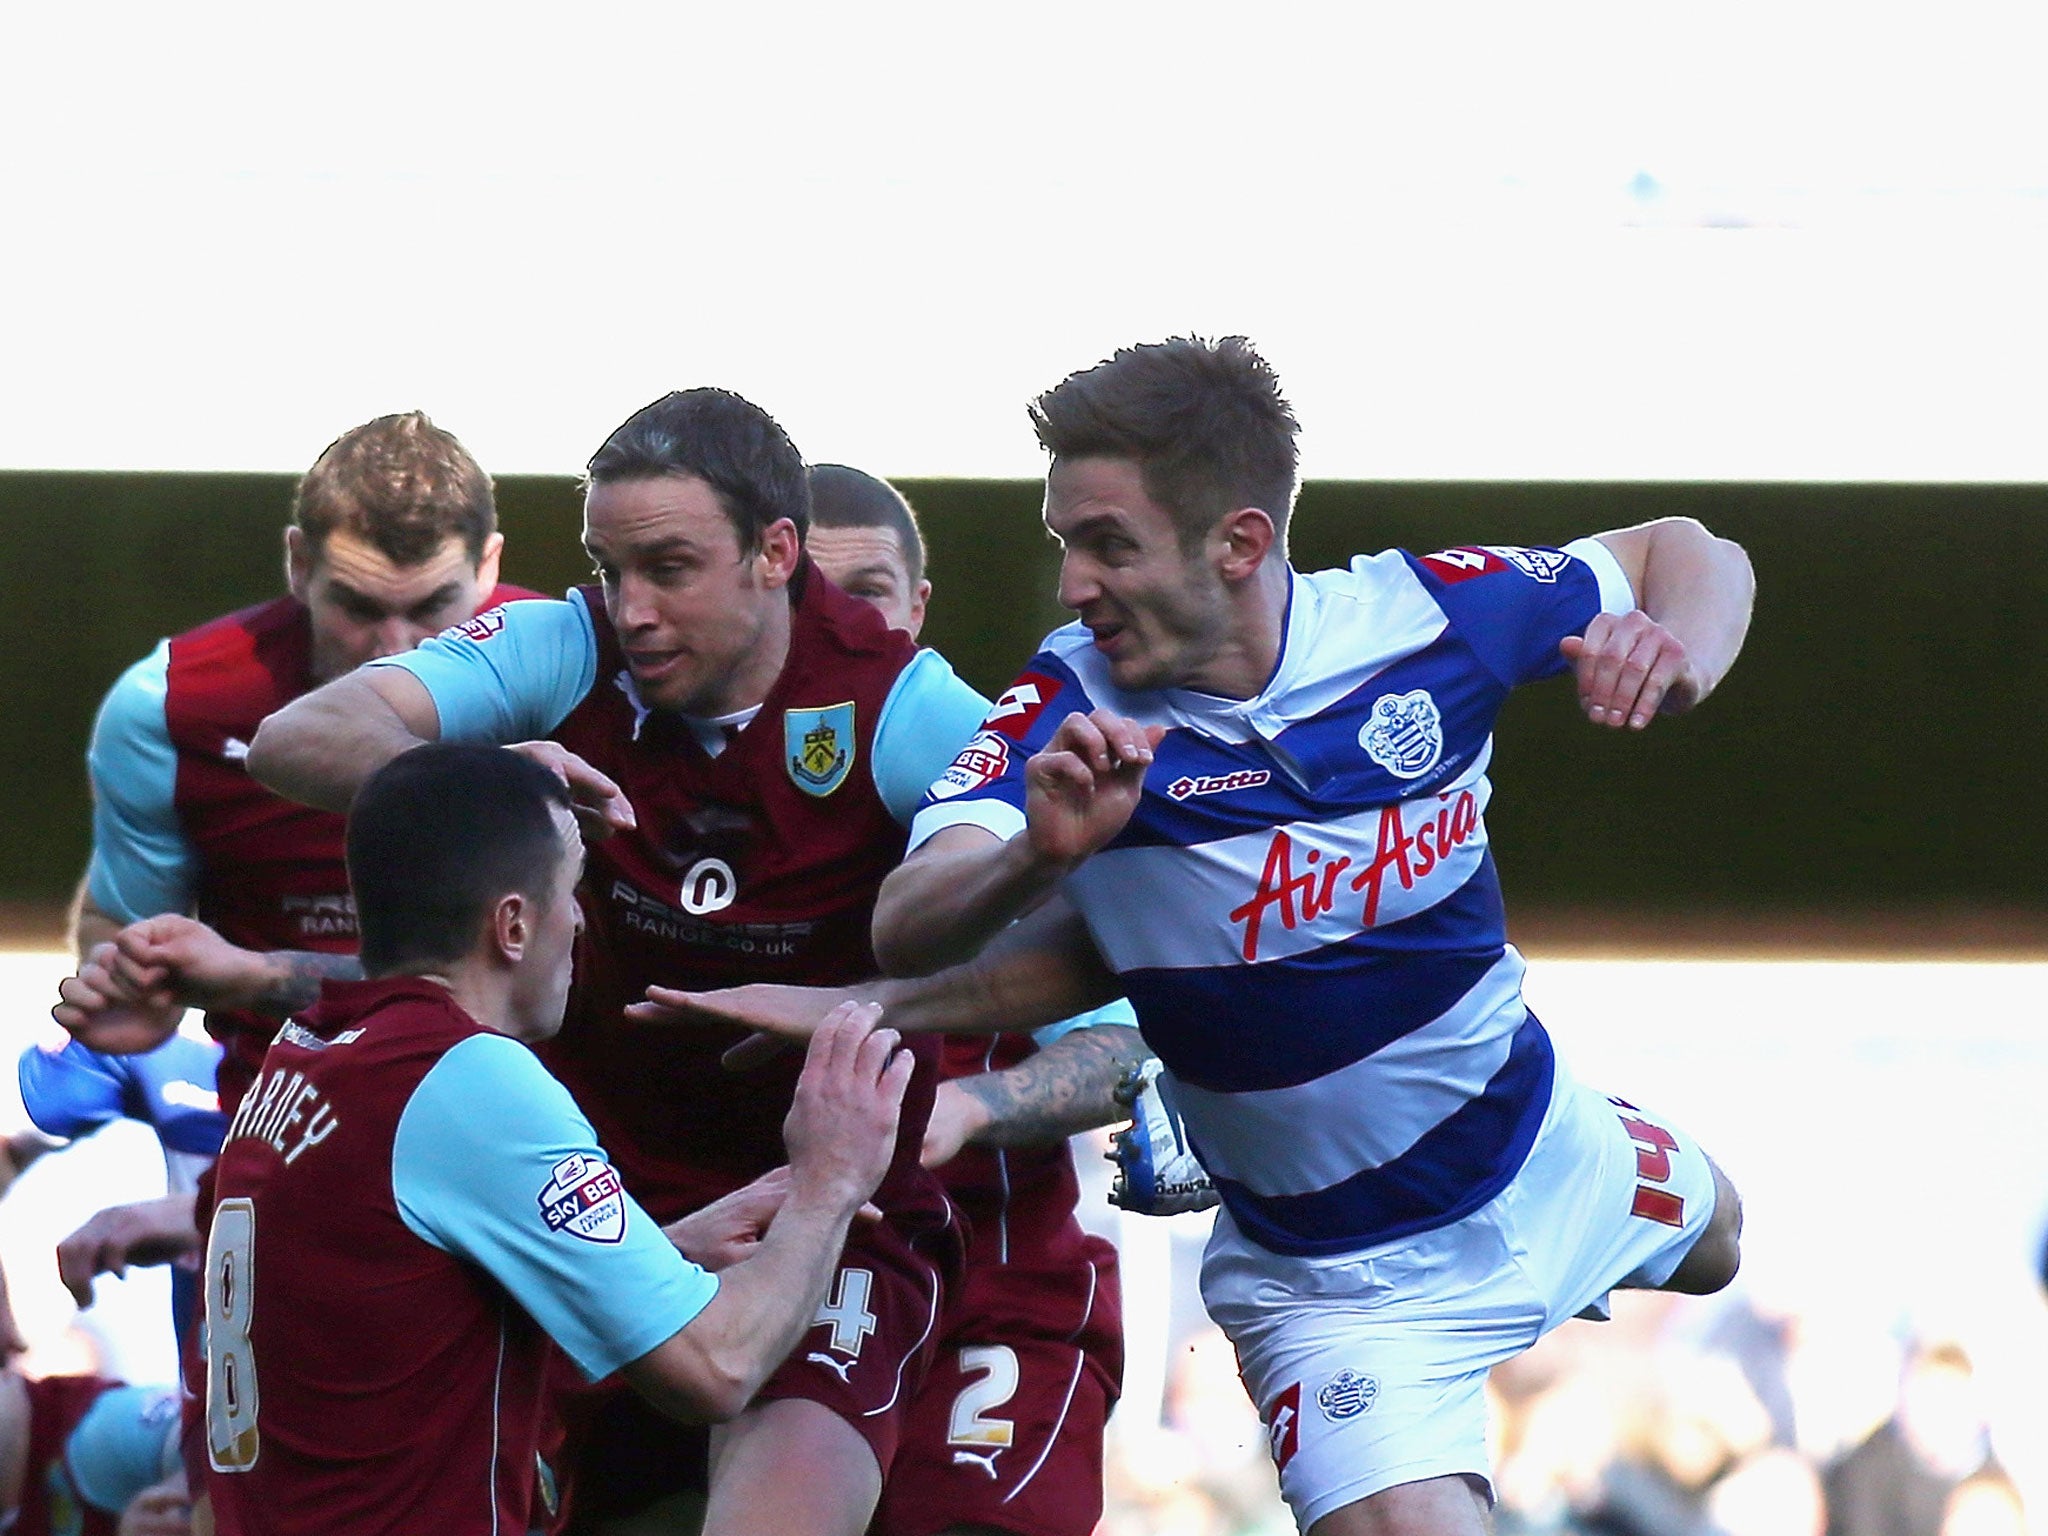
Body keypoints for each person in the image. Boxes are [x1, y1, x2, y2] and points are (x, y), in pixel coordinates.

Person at [649, 337, 1755, 1536]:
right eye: (1063, 541)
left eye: (1107, 544)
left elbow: (1687, 552)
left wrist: (1679, 651)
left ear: (1239, 543)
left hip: (1545, 1143)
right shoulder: (1069, 706)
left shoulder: (1431, 615)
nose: (1072, 584)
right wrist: (1039, 851)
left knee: (1724, 1245)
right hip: (1343, 1288)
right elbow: (908, 921)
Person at [241, 390, 994, 1535]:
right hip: (579, 1187)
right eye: (608, 566)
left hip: (816, 1197)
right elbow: (297, 741)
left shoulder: (902, 706)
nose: (630, 608)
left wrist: (865, 1006)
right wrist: (507, 772)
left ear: (773, 555)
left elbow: (1084, 912)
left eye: (669, 568)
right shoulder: (563, 643)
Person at [198, 742, 910, 1535]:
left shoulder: (307, 1051)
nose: (577, 920)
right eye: (572, 891)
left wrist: (661, 1254)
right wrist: (828, 1182)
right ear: (511, 925)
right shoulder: (464, 1079)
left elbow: (403, 1323)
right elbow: (716, 1367)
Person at [809, 462, 1144, 1536]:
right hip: (779, 1287)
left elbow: (1126, 1048)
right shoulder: (710, 806)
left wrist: (969, 1111)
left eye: (866, 593)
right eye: (808, 600)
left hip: (993, 1299)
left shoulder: (1013, 791)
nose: (840, 626)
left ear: (916, 609)